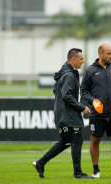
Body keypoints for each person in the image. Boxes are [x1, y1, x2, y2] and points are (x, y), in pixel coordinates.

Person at [33, 48, 93, 179]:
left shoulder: (65, 73)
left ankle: (40, 163)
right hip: (69, 115)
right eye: (81, 59)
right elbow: (66, 96)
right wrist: (81, 107)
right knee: (77, 140)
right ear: (73, 59)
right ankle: (77, 173)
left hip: (63, 114)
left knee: (65, 141)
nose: (83, 61)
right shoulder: (69, 75)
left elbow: (57, 92)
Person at [81, 44, 111, 178]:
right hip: (97, 113)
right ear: (100, 53)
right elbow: (84, 91)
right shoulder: (90, 70)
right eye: (108, 53)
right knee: (95, 139)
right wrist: (93, 101)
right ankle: (96, 170)